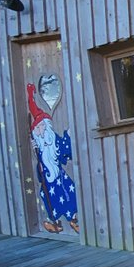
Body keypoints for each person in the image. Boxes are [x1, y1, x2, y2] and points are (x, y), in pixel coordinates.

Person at [27, 83, 79, 234]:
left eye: (42, 127)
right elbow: (41, 163)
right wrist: (40, 170)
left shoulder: (53, 141)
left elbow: (63, 150)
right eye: (37, 128)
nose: (41, 131)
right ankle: (56, 223)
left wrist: (68, 135)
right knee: (47, 197)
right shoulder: (39, 147)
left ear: (47, 127)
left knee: (68, 193)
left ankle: (73, 220)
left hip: (59, 177)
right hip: (47, 180)